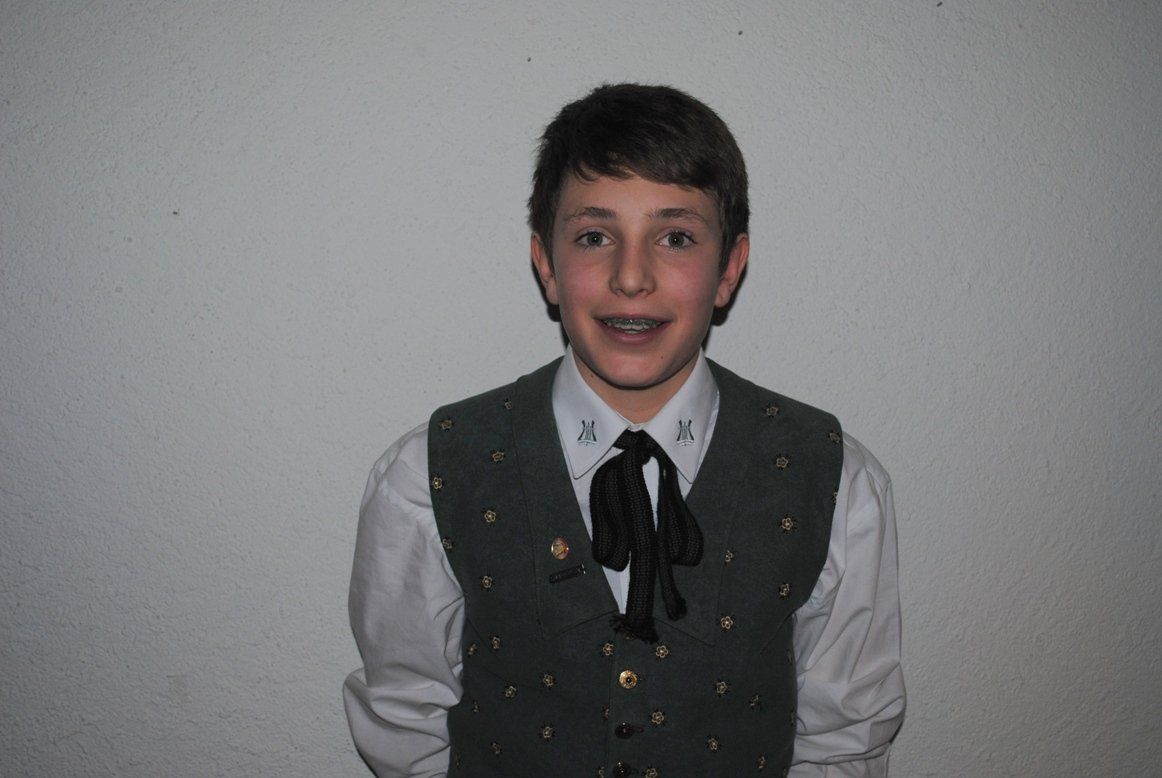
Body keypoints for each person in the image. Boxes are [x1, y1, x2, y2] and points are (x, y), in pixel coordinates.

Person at [344, 83, 905, 777]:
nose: (631, 278)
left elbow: (845, 736)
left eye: (675, 238)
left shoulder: (836, 481)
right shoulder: (428, 475)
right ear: (546, 265)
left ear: (729, 269)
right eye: (594, 237)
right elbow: (406, 716)